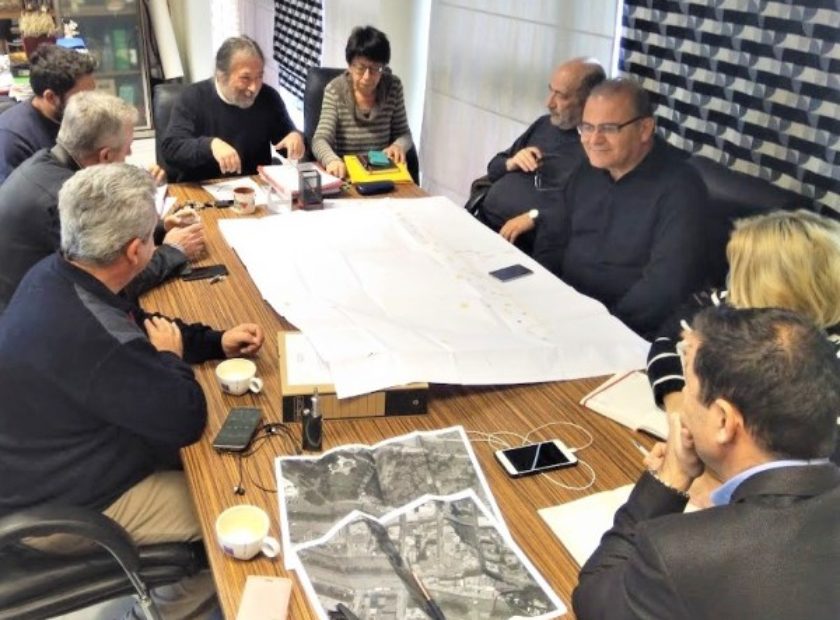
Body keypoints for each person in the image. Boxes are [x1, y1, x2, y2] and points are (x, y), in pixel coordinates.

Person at [0, 163, 265, 620]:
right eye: (152, 235)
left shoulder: (58, 272)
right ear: (136, 250)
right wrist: (172, 358)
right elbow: (185, 418)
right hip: (62, 506)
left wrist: (215, 341)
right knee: (231, 511)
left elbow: (141, 325)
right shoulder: (92, 337)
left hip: (41, 463)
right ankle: (163, 611)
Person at [573, 305, 840, 619]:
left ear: (723, 421)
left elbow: (595, 599)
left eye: (688, 387)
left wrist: (670, 478)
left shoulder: (679, 553)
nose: (682, 402)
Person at [532, 78, 707, 338]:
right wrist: (543, 296)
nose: (594, 140)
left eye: (609, 128)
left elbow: (664, 286)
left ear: (645, 129)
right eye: (587, 127)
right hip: (565, 312)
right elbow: (552, 238)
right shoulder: (587, 169)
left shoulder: (681, 188)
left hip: (625, 329)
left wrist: (602, 326)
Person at [0, 91, 204, 313]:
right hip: (32, 314)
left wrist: (159, 228)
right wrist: (173, 250)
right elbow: (109, 283)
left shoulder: (44, 160)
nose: (130, 153)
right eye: (127, 149)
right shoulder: (66, 201)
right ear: (105, 156)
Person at [479, 58, 605, 253]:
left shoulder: (599, 150)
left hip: (522, 244)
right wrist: (511, 163)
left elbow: (587, 213)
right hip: (483, 220)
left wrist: (535, 216)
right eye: (550, 91)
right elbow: (493, 169)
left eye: (561, 96)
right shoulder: (545, 125)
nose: (549, 103)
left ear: (589, 101)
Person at [161, 35, 304, 182]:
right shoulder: (193, 97)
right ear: (221, 76)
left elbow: (286, 140)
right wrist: (210, 146)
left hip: (254, 188)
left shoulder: (268, 97)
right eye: (245, 78)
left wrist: (296, 139)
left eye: (259, 77)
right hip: (202, 188)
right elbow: (171, 149)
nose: (254, 88)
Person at [312, 25, 413, 180]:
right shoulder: (335, 91)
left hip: (382, 173)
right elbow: (320, 139)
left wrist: (398, 146)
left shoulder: (393, 87)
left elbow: (404, 134)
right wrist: (331, 160)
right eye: (361, 68)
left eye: (375, 69)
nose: (367, 76)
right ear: (350, 66)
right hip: (346, 175)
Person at [0, 43, 96, 183]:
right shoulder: (12, 141)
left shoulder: (72, 115)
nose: (91, 103)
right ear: (50, 97)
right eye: (82, 97)